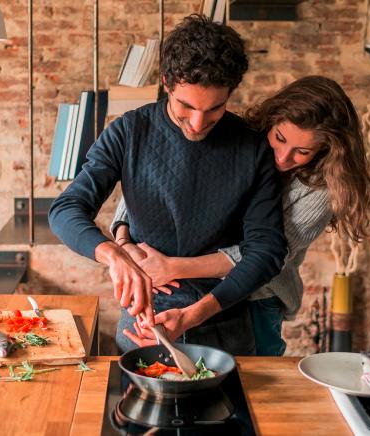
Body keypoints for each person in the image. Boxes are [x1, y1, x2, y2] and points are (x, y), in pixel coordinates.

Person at [48, 14, 288, 356]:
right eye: (185, 106)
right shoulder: (129, 132)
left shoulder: (252, 148)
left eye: (215, 109)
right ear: (167, 82)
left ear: (231, 93)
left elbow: (266, 250)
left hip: (225, 321)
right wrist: (115, 255)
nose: (198, 123)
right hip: (144, 322)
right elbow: (66, 209)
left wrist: (193, 315)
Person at [115, 76, 370, 355]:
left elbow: (262, 255)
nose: (283, 157)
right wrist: (124, 242)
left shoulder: (321, 191)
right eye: (280, 138)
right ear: (271, 121)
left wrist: (173, 267)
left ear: (326, 151)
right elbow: (148, 185)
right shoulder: (238, 141)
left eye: (302, 152)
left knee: (249, 387)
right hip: (179, 285)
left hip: (257, 300)